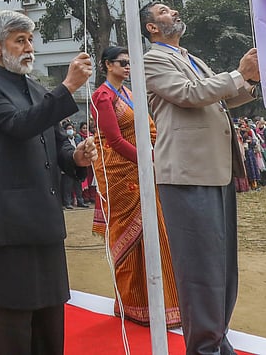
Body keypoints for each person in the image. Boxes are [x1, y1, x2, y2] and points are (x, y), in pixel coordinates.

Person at [0, 10, 98, 354]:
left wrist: (77, 158)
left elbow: (57, 144)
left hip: (45, 221)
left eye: (30, 40)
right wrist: (67, 86)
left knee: (50, 329)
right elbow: (20, 125)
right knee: (13, 331)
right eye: (19, 40)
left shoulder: (38, 89)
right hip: (9, 227)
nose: (29, 48)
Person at [141, 2, 258, 355]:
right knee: (200, 270)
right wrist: (239, 74)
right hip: (188, 173)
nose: (174, 11)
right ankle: (204, 348)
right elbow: (190, 95)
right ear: (152, 27)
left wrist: (251, 79)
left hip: (214, 170)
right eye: (164, 10)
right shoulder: (152, 59)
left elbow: (220, 98)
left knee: (222, 267)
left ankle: (217, 339)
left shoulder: (191, 57)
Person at [90, 45, 180, 326]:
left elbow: (149, 128)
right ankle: (132, 304)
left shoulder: (129, 94)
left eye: (130, 63)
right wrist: (148, 159)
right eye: (122, 63)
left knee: (156, 231)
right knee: (129, 238)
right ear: (107, 65)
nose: (128, 67)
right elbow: (114, 140)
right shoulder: (102, 96)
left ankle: (163, 303)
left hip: (144, 168)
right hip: (121, 173)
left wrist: (160, 150)